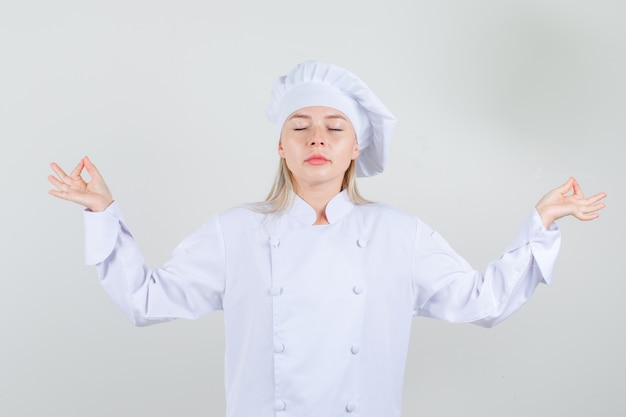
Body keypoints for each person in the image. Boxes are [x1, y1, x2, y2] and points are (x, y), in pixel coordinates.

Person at [48, 61, 606, 417]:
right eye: (300, 126)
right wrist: (101, 211)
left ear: (355, 147)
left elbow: (483, 302)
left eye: (334, 127)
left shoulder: (397, 235)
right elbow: (147, 300)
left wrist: (540, 223)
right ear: (281, 147)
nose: (317, 137)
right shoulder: (236, 232)